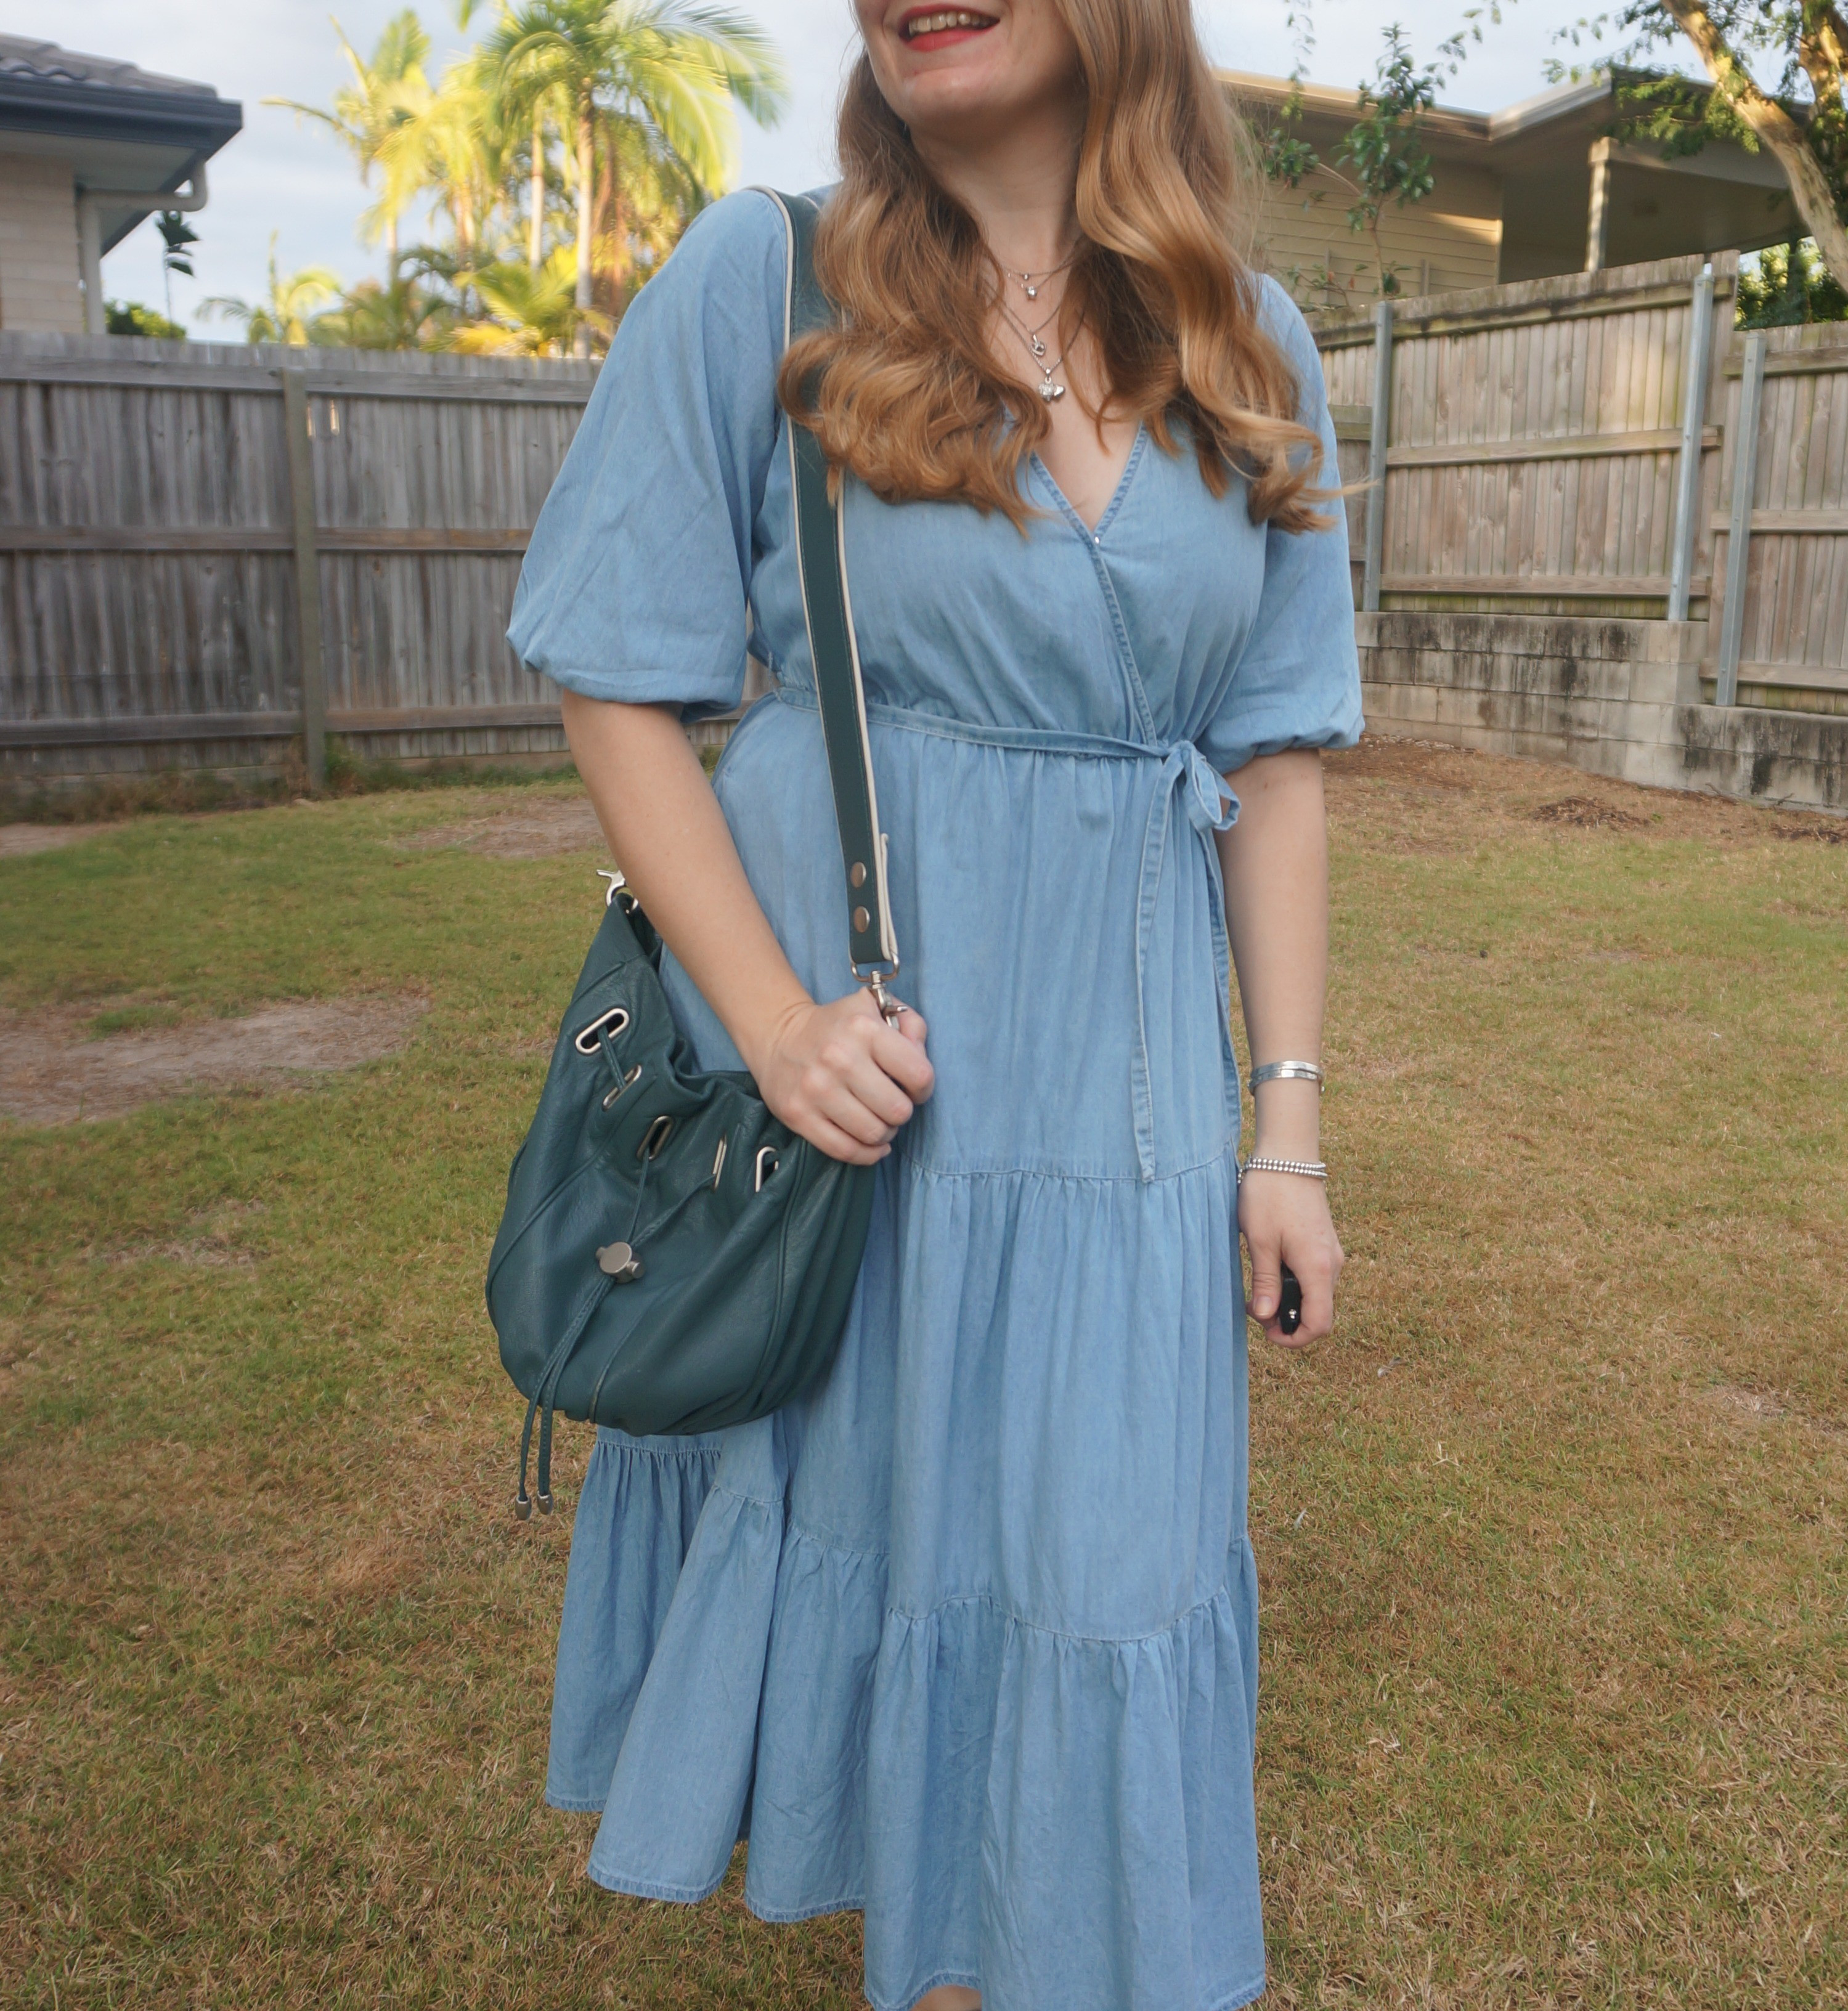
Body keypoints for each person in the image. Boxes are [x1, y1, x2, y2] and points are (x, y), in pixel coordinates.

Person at [505, 0, 1359, 2003]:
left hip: (1130, 1117)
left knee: (1102, 1569)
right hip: (860, 1103)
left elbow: (1281, 760)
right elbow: (614, 677)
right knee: (890, 1550)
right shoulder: (769, 277)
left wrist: (1291, 1130)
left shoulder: (1252, 343)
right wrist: (779, 1022)